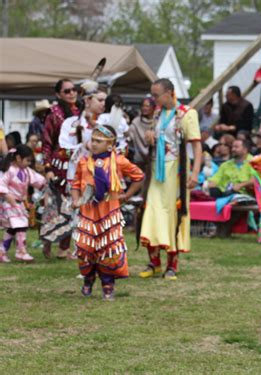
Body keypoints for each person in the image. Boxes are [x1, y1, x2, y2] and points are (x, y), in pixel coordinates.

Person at [139, 78, 202, 280]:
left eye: (157, 95)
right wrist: (150, 138)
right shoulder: (158, 114)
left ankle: (171, 265)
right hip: (156, 170)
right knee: (150, 211)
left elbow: (197, 146)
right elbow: (159, 138)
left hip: (176, 171)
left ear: (169, 93)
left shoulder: (186, 114)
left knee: (171, 213)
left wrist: (195, 174)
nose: (154, 99)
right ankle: (154, 262)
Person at [71, 125, 144, 300]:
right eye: (93, 140)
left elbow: (138, 176)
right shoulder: (83, 162)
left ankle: (108, 285)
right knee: (85, 248)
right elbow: (75, 184)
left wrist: (126, 195)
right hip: (88, 212)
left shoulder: (118, 161)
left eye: (99, 141)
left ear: (110, 146)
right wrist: (75, 200)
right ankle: (88, 279)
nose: (94, 144)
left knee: (108, 249)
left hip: (109, 212)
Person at [41, 79, 81, 259]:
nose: (72, 93)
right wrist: (48, 168)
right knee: (56, 205)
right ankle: (48, 243)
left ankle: (64, 248)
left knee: (73, 205)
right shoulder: (54, 114)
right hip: (59, 165)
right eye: (67, 91)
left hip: (78, 162)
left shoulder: (82, 111)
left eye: (74, 90)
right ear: (58, 94)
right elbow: (47, 143)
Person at [0, 145, 46, 262]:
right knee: (21, 225)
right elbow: (2, 185)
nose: (29, 163)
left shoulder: (27, 171)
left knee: (12, 229)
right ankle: (21, 251)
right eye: (27, 160)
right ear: (19, 158)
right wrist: (9, 198)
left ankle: (2, 251)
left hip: (19, 203)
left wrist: (45, 184)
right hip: (10, 203)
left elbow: (37, 179)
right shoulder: (9, 170)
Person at [128, 97, 155, 172]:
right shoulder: (136, 122)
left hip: (154, 159)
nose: (144, 108)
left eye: (147, 106)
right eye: (143, 106)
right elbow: (129, 138)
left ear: (153, 107)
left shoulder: (157, 122)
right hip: (138, 160)